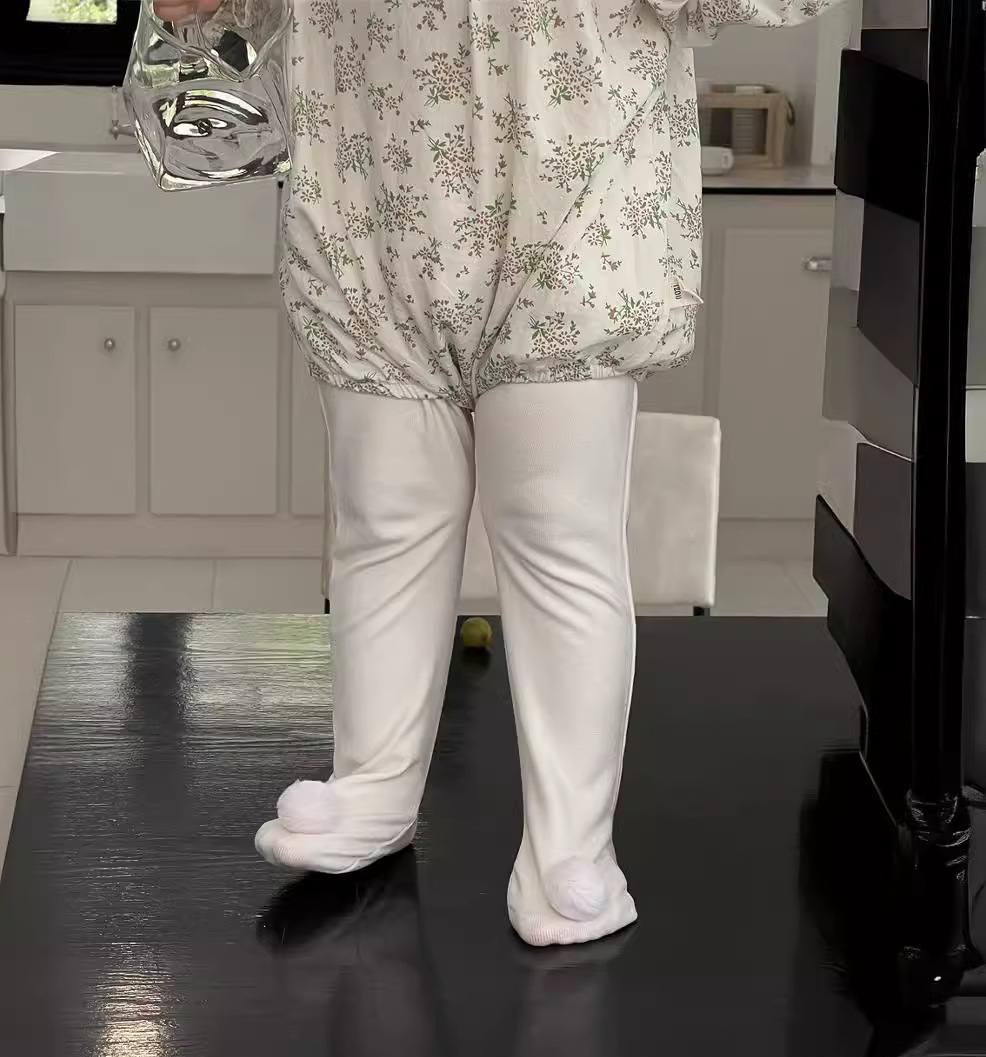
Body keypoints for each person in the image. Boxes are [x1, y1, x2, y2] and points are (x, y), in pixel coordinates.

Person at [154, 0, 838, 947]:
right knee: (384, 523)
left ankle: (572, 847)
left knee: (558, 535)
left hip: (567, 217)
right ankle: (374, 786)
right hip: (372, 213)